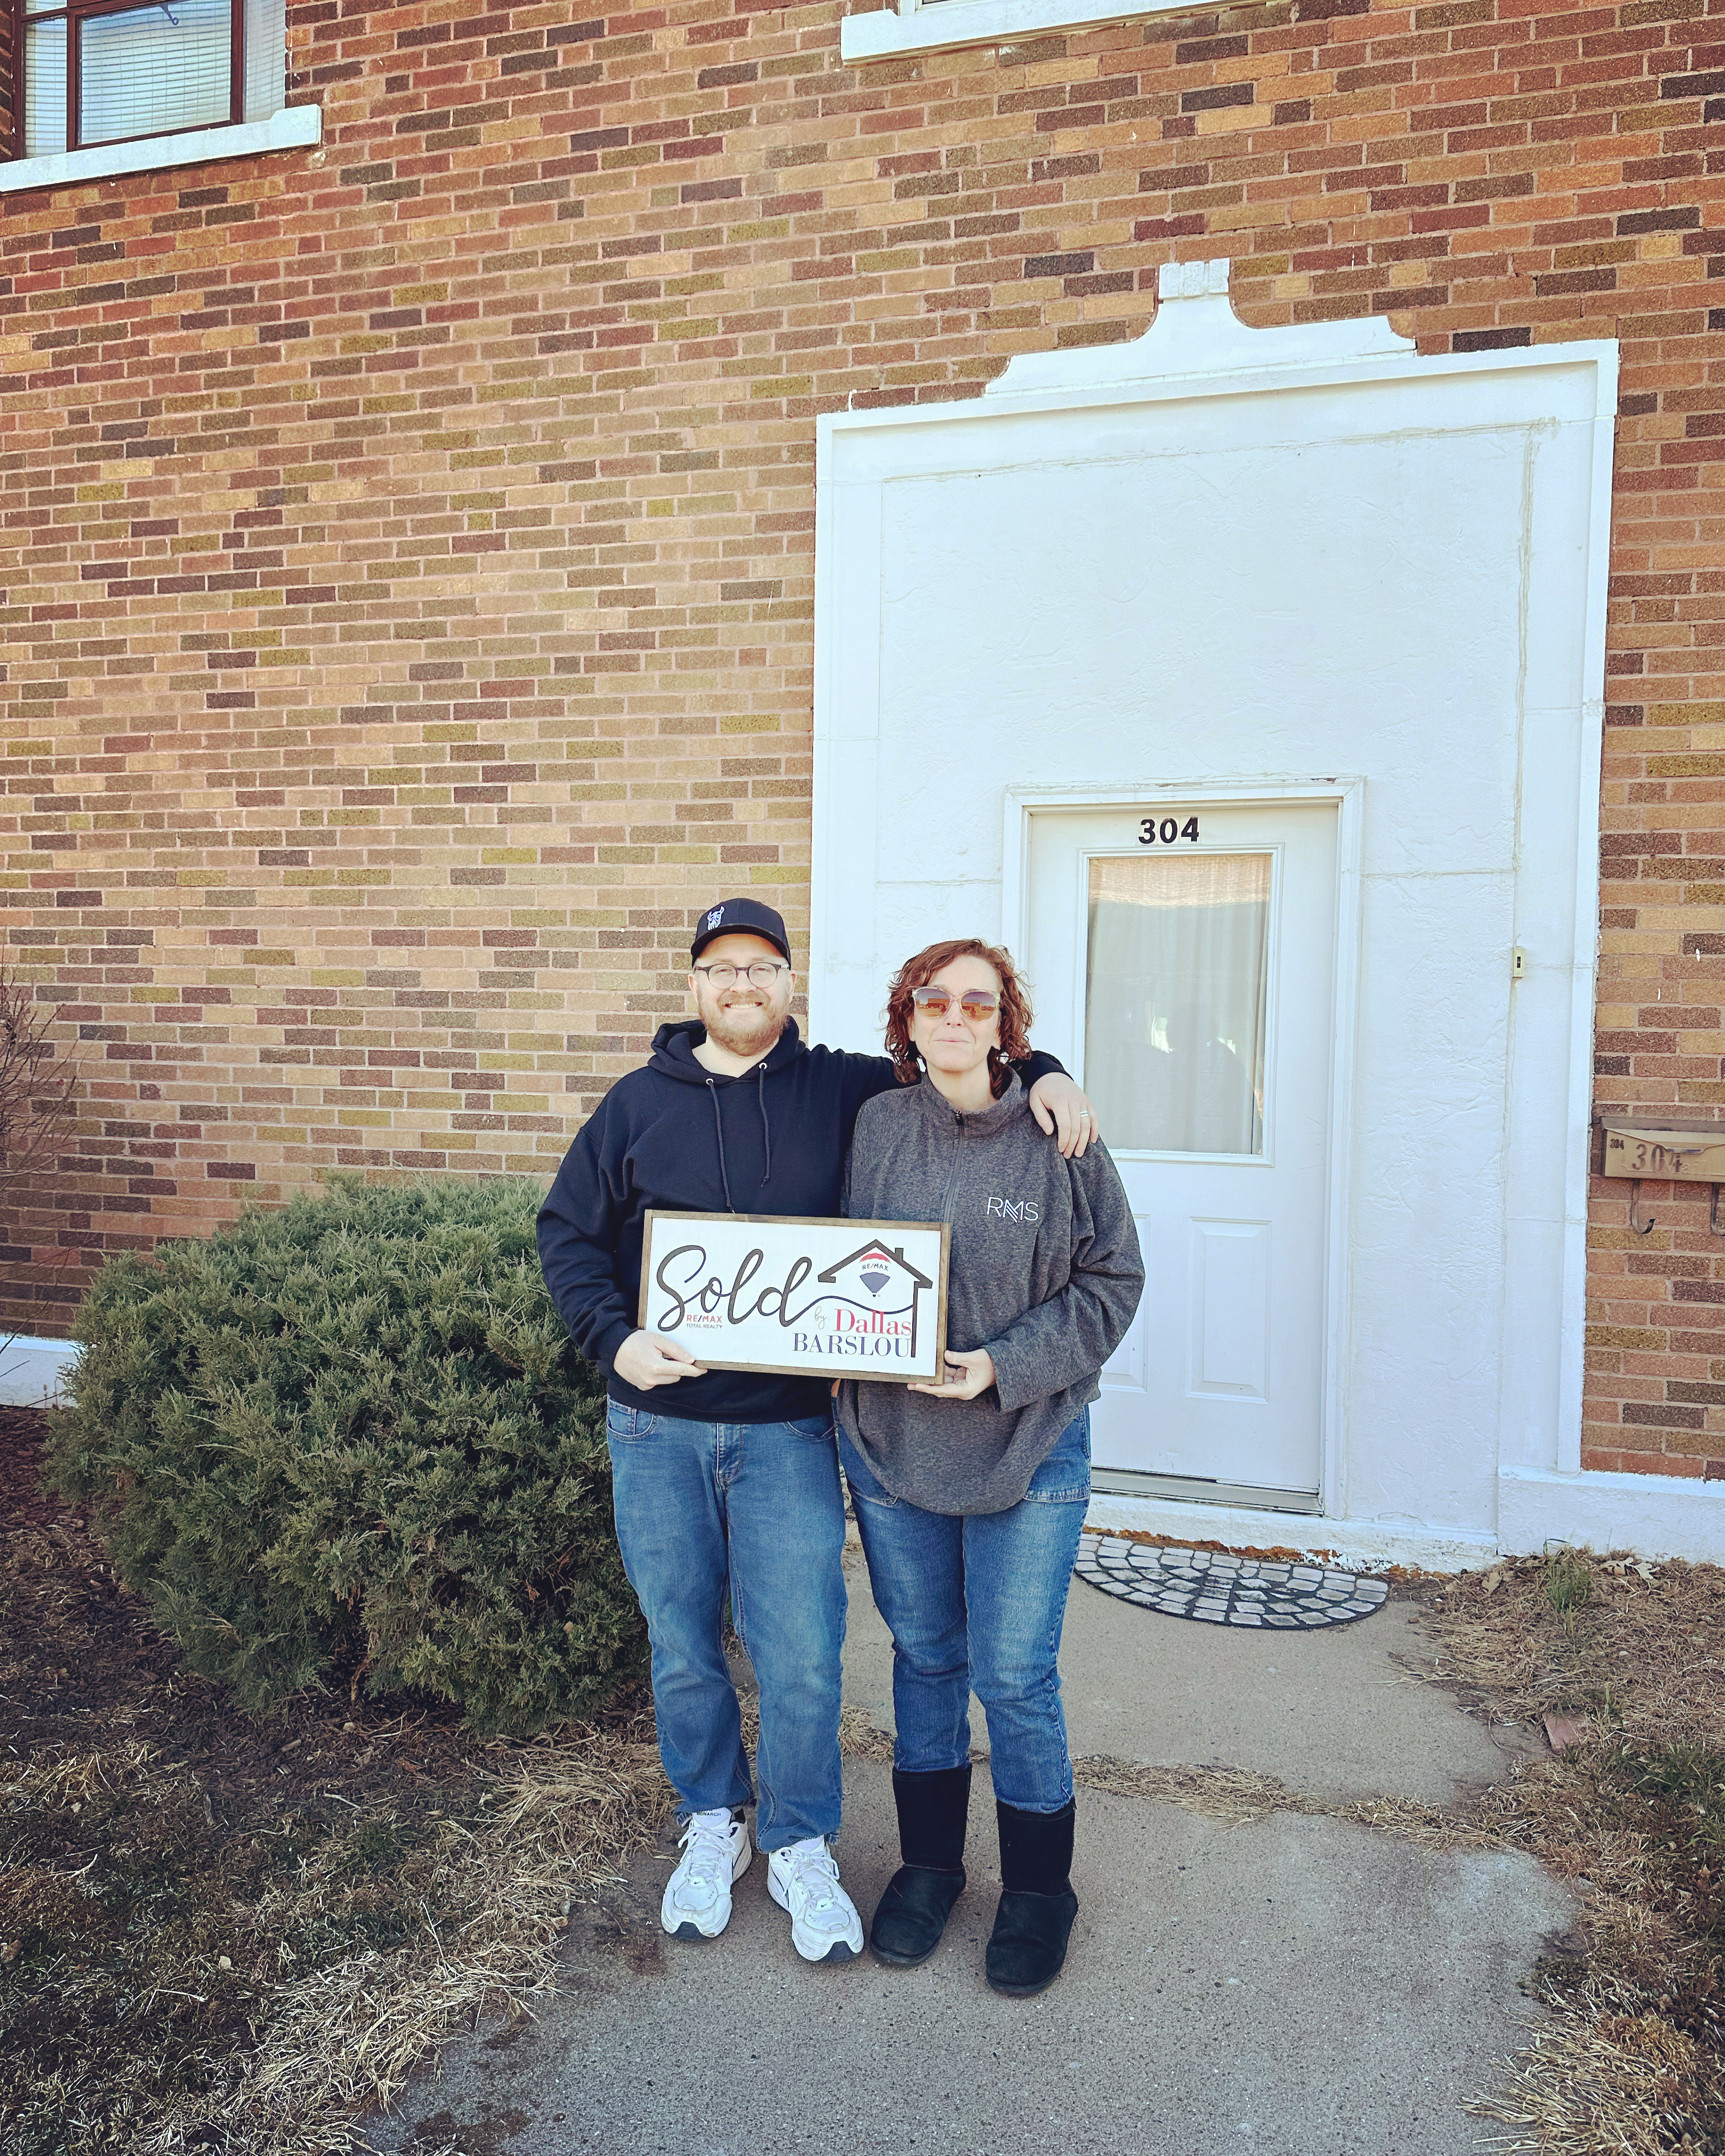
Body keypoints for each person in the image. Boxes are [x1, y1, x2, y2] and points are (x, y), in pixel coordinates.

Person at [535, 897, 1102, 1967]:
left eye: (761, 967)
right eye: (720, 969)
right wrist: (613, 1341)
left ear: (790, 983)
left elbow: (961, 1046)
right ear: (694, 986)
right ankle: (715, 1820)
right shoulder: (632, 1105)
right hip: (655, 1429)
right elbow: (566, 1233)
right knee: (683, 1642)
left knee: (803, 1656)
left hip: (791, 1432)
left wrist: (1053, 1070)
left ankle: (800, 1841)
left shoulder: (845, 1088)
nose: (741, 985)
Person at [834, 937, 1144, 1997]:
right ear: (908, 1020)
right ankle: (928, 1869)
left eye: (979, 1001)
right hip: (892, 1450)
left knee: (1014, 1677)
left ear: (1007, 1020)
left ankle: (1038, 1891)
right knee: (924, 1662)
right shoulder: (876, 1127)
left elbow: (1115, 1281)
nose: (955, 1016)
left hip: (1029, 1443)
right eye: (934, 1000)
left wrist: (1004, 1367)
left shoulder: (1061, 1138)